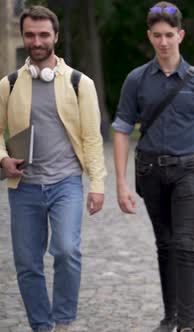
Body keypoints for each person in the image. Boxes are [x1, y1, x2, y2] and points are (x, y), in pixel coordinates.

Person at [111, 2, 194, 332]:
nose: (163, 42)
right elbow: (121, 128)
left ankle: (187, 324)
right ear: (149, 36)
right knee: (165, 245)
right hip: (150, 172)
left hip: (189, 169)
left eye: (169, 35)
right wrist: (120, 183)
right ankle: (170, 316)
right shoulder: (136, 79)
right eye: (157, 35)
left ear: (180, 35)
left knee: (184, 244)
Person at [0, 5, 106, 332]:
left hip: (66, 184)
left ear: (55, 37)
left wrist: (98, 184)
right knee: (27, 264)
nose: (37, 40)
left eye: (44, 34)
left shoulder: (79, 83)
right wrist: (2, 157)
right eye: (30, 34)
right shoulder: (9, 84)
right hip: (24, 188)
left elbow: (91, 137)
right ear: (23, 37)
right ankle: (41, 326)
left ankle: (63, 322)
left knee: (66, 251)